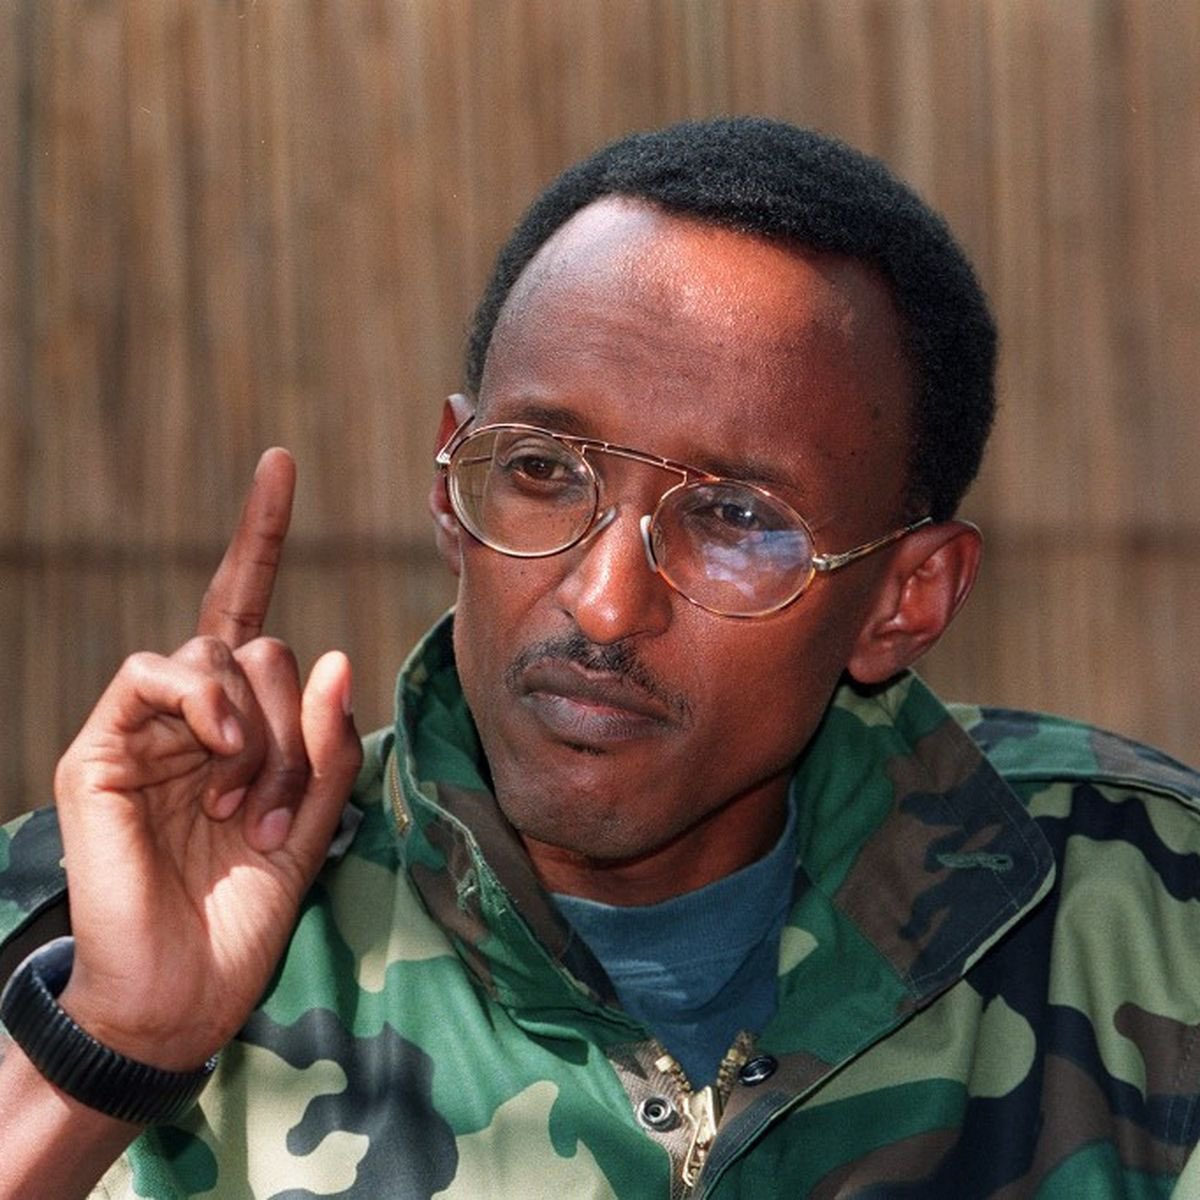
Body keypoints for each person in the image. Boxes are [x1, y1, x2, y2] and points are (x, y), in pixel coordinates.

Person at [1, 117, 1198, 1199]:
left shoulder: (1142, 908)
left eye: (734, 516)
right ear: (450, 486)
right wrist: (108, 1047)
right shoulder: (92, 914)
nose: (605, 600)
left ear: (904, 597)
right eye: (540, 470)